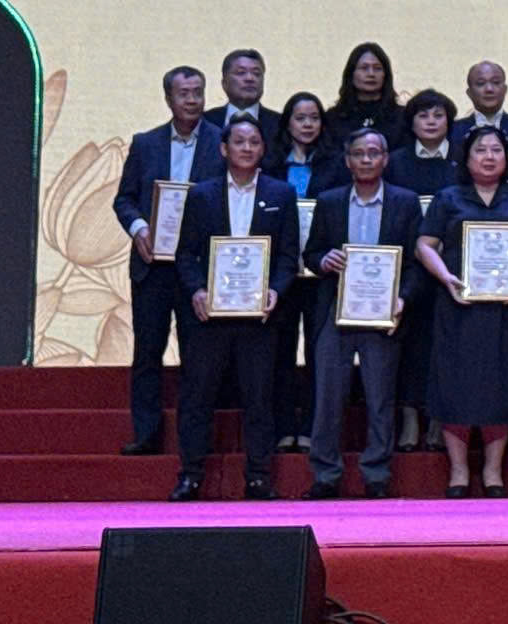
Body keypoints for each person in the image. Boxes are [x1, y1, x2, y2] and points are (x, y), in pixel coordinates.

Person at [169, 113, 302, 501]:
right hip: (210, 315)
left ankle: (258, 476)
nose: (247, 148)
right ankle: (191, 475)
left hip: (259, 316)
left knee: (260, 397)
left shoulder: (281, 194)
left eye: (254, 142)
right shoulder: (201, 194)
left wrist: (276, 290)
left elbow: (288, 256)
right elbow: (185, 254)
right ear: (224, 149)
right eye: (239, 142)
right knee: (198, 396)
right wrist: (197, 290)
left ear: (263, 149)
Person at [416, 126, 508, 496]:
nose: (489, 157)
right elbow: (425, 244)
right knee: (455, 386)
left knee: (500, 384)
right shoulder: (447, 198)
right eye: (481, 150)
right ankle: (458, 471)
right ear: (467, 157)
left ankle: (493, 471)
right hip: (458, 305)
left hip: (506, 307)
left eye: (496, 150)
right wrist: (446, 277)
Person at [301, 127, 424, 498]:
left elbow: (416, 263)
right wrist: (323, 260)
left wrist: (403, 299)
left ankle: (377, 474)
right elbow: (310, 254)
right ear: (347, 160)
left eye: (373, 152)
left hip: (384, 314)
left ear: (385, 159)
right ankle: (325, 474)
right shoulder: (329, 202)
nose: (366, 159)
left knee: (380, 396)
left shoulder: (405, 202)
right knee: (328, 395)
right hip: (335, 312)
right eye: (359, 153)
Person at [113, 66, 223, 456]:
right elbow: (124, 199)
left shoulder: (222, 142)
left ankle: (193, 440)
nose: (192, 100)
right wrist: (139, 227)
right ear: (168, 99)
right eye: (184, 93)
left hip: (198, 269)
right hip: (153, 266)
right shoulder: (145, 144)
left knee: (198, 357)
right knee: (148, 352)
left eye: (198, 92)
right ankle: (146, 434)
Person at [266, 91, 345, 449]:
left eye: (314, 118)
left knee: (319, 352)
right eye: (300, 118)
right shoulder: (270, 165)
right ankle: (284, 427)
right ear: (287, 123)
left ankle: (314, 428)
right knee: (280, 351)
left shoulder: (336, 165)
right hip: (280, 274)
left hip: (322, 273)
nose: (308, 124)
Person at [385, 88, 458, 449]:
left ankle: (439, 418)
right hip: (406, 267)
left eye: (438, 115)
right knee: (408, 343)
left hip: (451, 268)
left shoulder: (462, 160)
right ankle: (410, 417)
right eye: (423, 115)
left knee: (444, 344)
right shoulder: (395, 162)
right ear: (411, 122)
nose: (431, 122)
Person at [330, 42, 407, 151]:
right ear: (351, 74)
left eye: (377, 68)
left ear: (385, 75)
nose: (371, 74)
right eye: (364, 68)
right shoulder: (333, 119)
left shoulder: (403, 117)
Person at [449, 61, 508, 152]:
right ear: (469, 93)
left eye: (496, 82)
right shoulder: (452, 131)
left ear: (505, 90)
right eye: (481, 83)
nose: (489, 89)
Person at [206, 48, 277, 142]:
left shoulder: (282, 124)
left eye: (256, 74)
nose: (250, 78)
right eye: (241, 73)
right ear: (224, 83)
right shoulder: (205, 121)